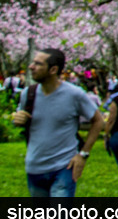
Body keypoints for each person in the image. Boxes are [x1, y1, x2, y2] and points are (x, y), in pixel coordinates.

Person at [12, 48, 104, 197]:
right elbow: (20, 119)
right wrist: (18, 120)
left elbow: (98, 121)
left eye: (37, 64)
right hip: (35, 167)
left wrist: (83, 154)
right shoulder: (28, 94)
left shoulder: (74, 94)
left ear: (53, 70)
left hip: (64, 167)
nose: (31, 67)